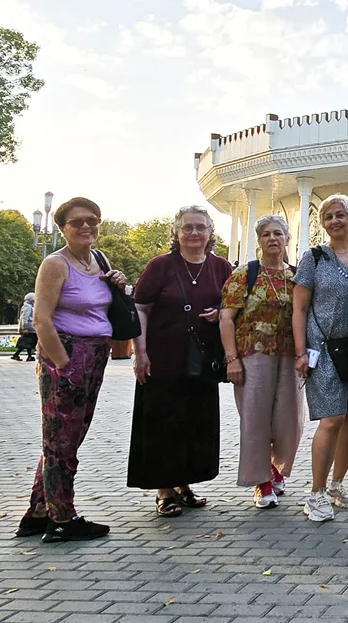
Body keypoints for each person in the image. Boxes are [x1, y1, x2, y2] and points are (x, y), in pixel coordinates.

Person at [16, 197, 127, 543]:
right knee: (60, 441)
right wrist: (63, 364)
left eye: (92, 220)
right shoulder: (55, 263)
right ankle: (62, 519)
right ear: (61, 227)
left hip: (95, 356)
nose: (86, 226)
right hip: (66, 356)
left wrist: (117, 282)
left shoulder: (98, 260)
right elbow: (41, 319)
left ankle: (37, 513)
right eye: (77, 221)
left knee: (65, 439)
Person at [129, 205, 232, 517]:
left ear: (210, 232)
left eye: (200, 227)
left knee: (195, 423)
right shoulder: (160, 266)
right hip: (163, 359)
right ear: (175, 233)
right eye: (187, 227)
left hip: (201, 361)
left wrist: (219, 312)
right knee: (164, 423)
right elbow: (140, 308)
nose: (194, 233)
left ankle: (184, 485)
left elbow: (231, 307)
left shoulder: (221, 267)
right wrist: (140, 352)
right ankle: (164, 491)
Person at [293, 193, 348, 522]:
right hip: (324, 347)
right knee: (332, 419)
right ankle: (314, 493)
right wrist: (301, 351)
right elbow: (299, 309)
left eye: (341, 214)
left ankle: (336, 486)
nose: (334, 221)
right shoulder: (313, 258)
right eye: (328, 216)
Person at [220, 215, 301, 510]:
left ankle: (277, 469)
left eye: (278, 233)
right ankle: (262, 482)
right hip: (252, 356)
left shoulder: (296, 276)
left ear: (287, 239)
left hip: (290, 356)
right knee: (255, 421)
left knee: (288, 420)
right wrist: (232, 359)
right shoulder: (245, 274)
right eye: (266, 234)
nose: (272, 238)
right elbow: (226, 317)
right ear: (259, 240)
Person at [12, 292, 37, 361]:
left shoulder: (30, 306)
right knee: (27, 342)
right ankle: (18, 355)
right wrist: (25, 327)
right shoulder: (27, 306)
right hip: (29, 327)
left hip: (31, 326)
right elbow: (25, 317)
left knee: (28, 342)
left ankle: (26, 355)